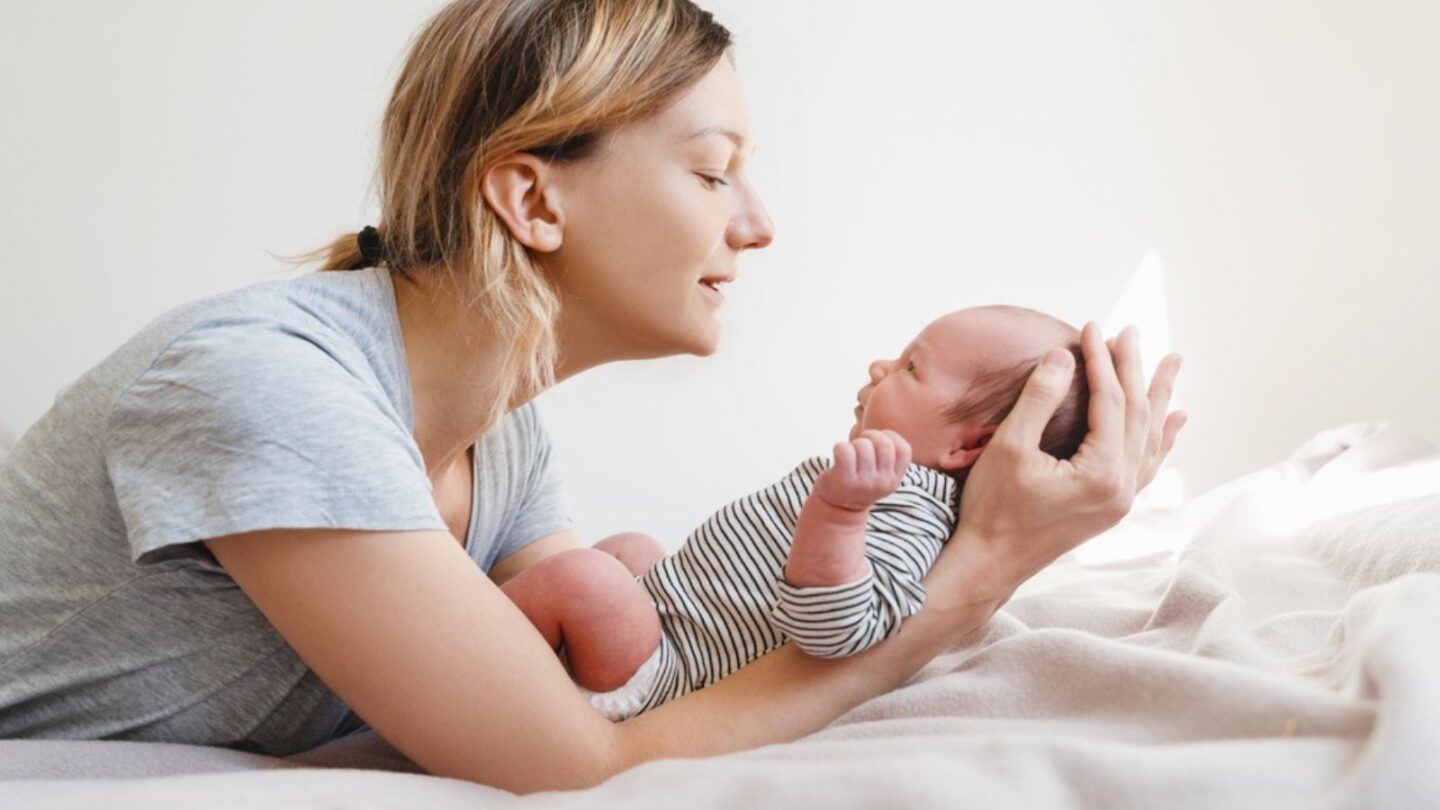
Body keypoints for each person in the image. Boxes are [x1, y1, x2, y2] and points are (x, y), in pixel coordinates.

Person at [0, 0, 1185, 794]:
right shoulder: (274, 389)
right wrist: (982, 569)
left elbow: (603, 691)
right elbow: (577, 768)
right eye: (714, 170)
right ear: (534, 200)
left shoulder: (498, 437)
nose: (757, 222)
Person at [502, 306, 1093, 720]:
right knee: (630, 551)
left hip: (674, 681)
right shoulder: (889, 487)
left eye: (913, 368)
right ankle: (534, 655)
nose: (880, 367)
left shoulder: (916, 516)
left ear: (968, 447)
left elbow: (836, 631)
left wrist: (839, 512)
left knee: (585, 579)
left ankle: (473, 644)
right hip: (671, 627)